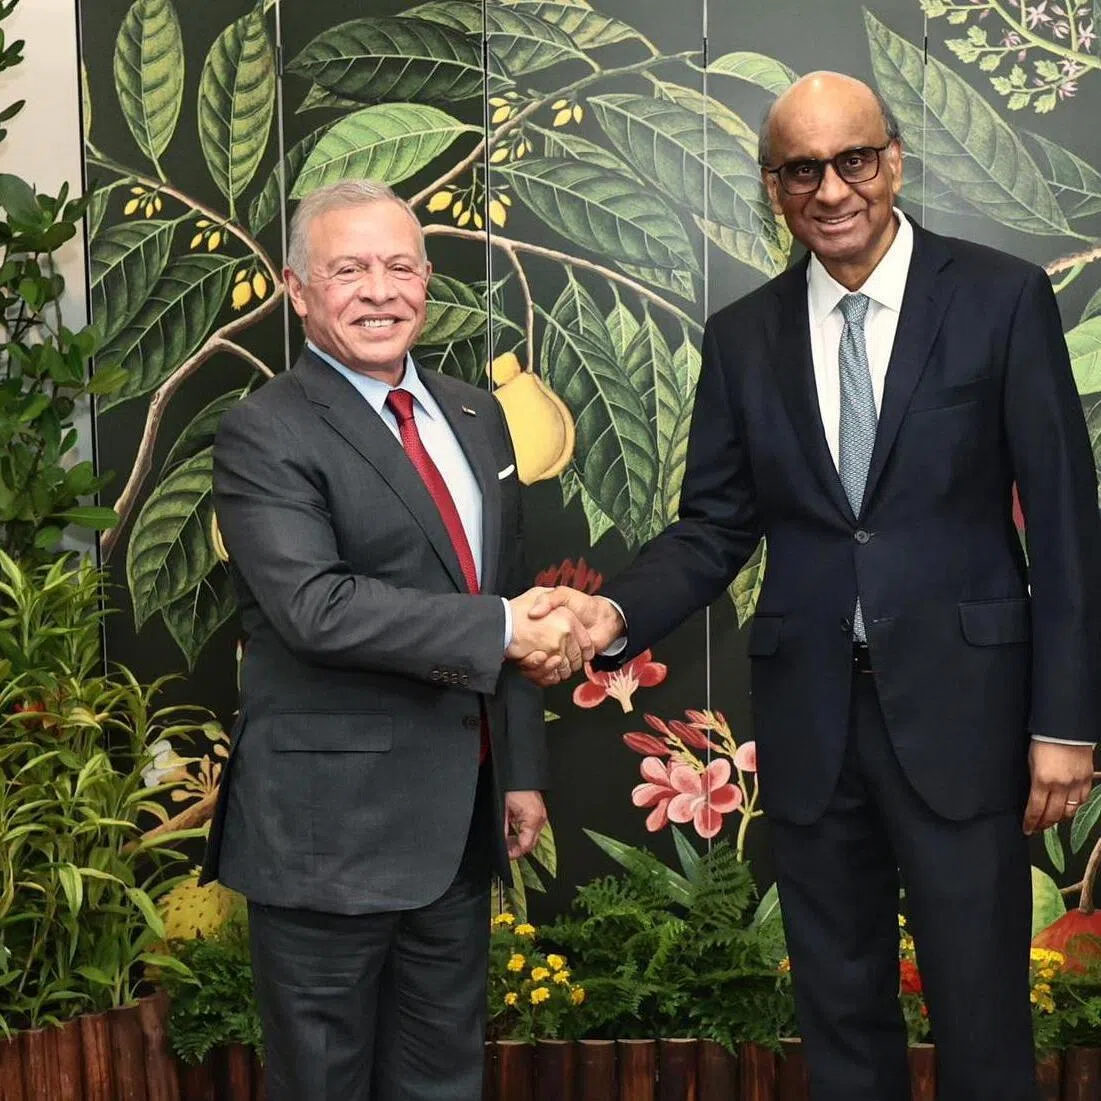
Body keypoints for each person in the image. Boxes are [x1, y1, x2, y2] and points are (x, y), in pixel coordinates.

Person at [528, 72, 1101, 1101]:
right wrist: (608, 613)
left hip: (967, 713)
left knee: (981, 1011)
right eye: (803, 170)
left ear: (893, 161)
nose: (832, 190)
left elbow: (1064, 524)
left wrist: (1067, 720)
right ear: (772, 187)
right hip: (812, 719)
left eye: (854, 162)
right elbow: (712, 529)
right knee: (838, 1012)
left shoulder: (1000, 297)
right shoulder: (743, 335)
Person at [200, 179, 592, 1101]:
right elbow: (314, 607)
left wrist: (521, 767)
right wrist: (503, 626)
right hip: (324, 838)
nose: (378, 290)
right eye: (348, 269)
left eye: (398, 266)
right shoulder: (264, 430)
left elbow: (502, 588)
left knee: (441, 1080)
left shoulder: (474, 412)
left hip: (455, 827)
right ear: (298, 290)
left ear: (426, 281)